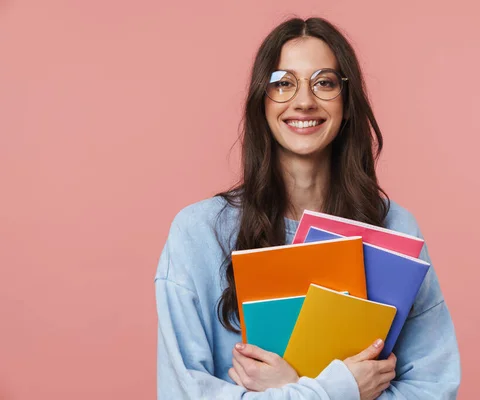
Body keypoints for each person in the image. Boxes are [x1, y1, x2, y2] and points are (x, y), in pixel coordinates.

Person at [154, 17, 461, 400]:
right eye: (283, 82)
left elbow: (434, 388)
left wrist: (289, 388)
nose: (303, 100)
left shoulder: (396, 228)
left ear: (347, 104)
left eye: (324, 83)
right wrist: (339, 390)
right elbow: (184, 393)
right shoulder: (197, 232)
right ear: (261, 101)